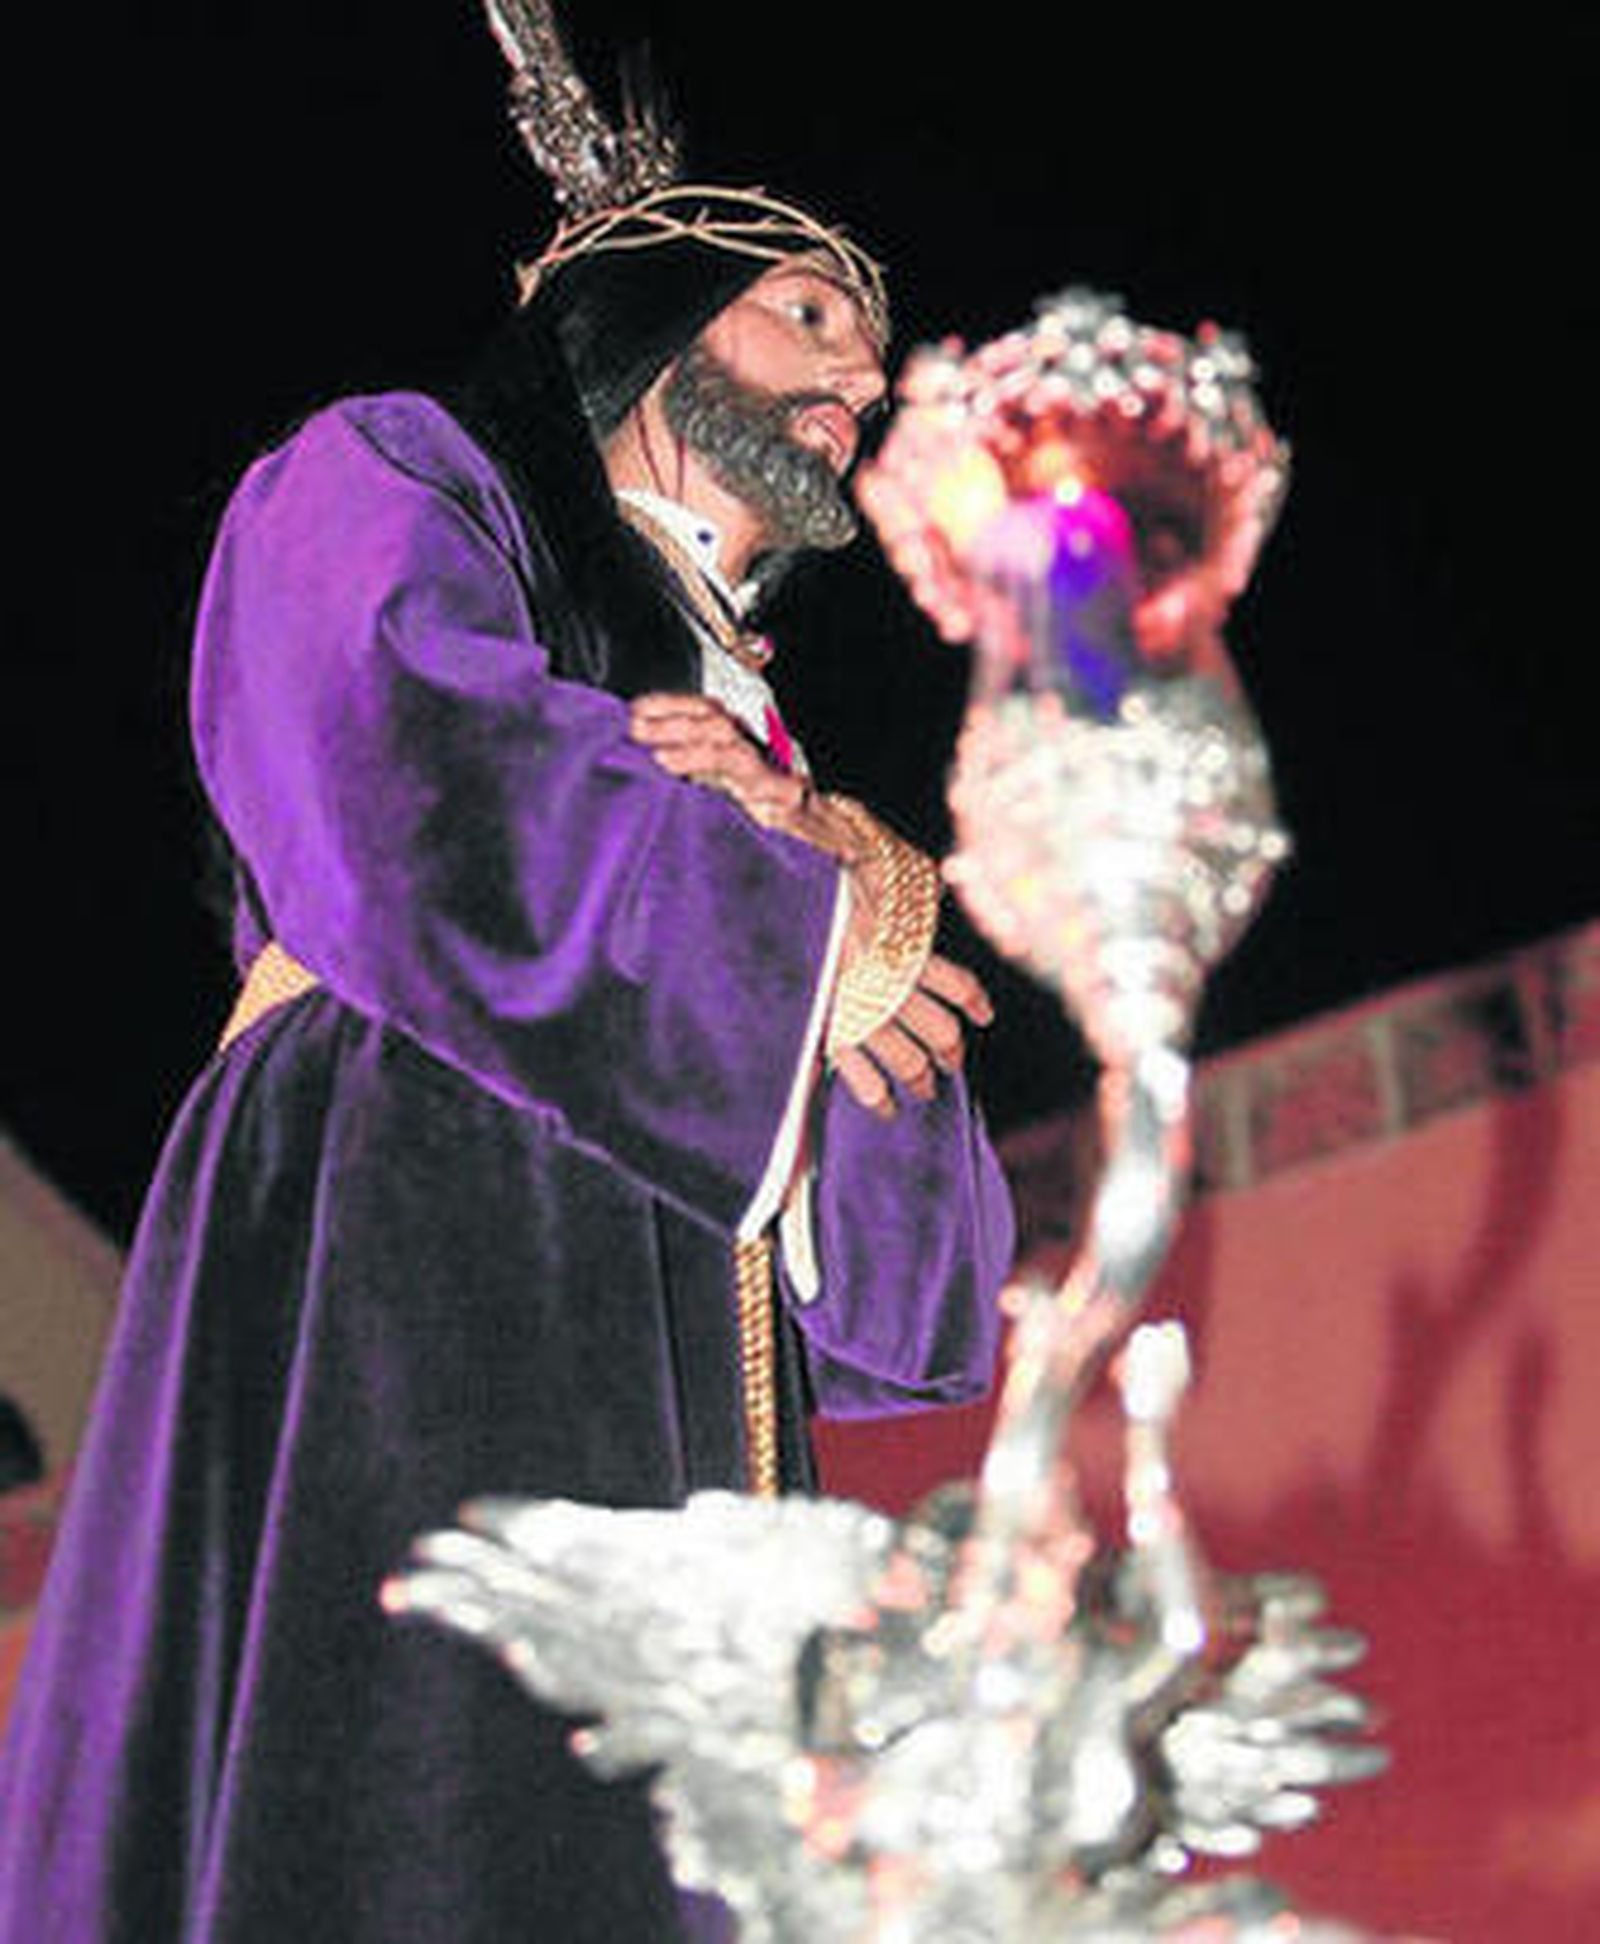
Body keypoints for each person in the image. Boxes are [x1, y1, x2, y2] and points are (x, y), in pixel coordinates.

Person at [0, 70, 1015, 1944]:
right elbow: (395, 749)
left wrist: (837, 876)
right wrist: (774, 900)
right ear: (632, 317)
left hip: (678, 1349)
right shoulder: (397, 468)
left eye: (870, 369)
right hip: (412, 1195)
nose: (853, 387)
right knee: (438, 1785)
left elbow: (899, 1237)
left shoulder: (774, 740)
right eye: (808, 314)